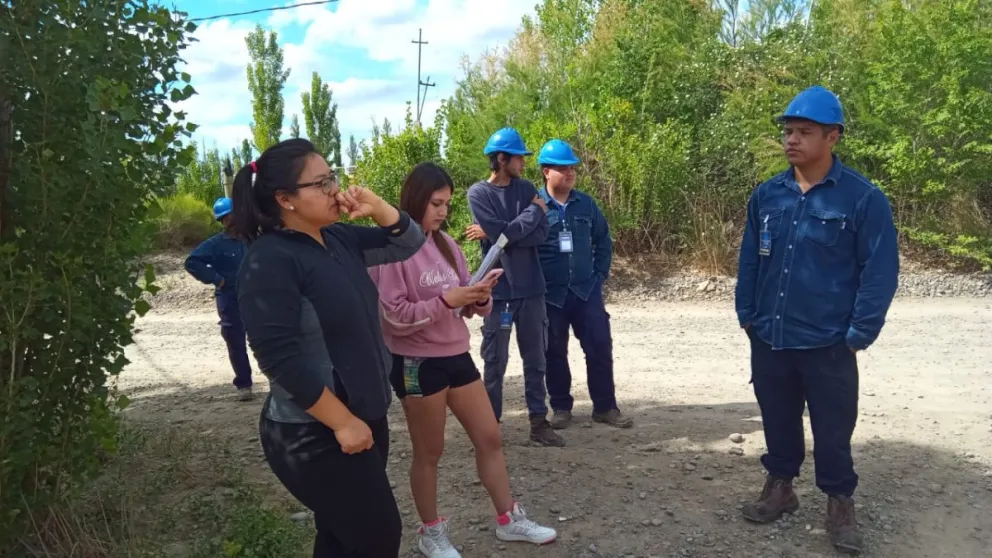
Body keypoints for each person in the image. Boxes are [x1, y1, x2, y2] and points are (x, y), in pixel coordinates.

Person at [230, 138, 426, 557]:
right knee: (376, 537)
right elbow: (277, 356)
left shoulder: (336, 238)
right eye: (320, 184)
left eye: (332, 177)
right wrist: (341, 422)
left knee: (341, 538)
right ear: (285, 199)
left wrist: (378, 206)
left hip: (363, 415)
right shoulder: (269, 260)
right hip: (311, 431)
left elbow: (407, 242)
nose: (334, 190)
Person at [734, 85, 899, 555]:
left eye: (804, 132)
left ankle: (839, 502)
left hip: (829, 342)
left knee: (833, 426)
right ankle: (780, 488)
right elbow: (750, 260)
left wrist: (858, 334)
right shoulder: (768, 195)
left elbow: (880, 270)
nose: (791, 140)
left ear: (833, 137)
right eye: (788, 131)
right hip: (771, 334)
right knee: (777, 417)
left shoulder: (863, 199)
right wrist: (747, 314)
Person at [370, 162, 558, 558]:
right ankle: (431, 532)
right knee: (429, 452)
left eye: (447, 205)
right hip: (416, 364)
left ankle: (509, 519)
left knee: (490, 437)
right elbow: (394, 318)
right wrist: (448, 300)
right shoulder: (389, 251)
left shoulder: (447, 245)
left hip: (457, 356)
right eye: (435, 203)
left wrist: (479, 297)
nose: (442, 212)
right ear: (415, 200)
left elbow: (464, 302)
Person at [464, 127, 563, 447]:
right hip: (499, 293)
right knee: (495, 361)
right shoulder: (478, 194)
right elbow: (503, 234)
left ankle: (538, 423)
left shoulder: (525, 189)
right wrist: (534, 211)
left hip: (532, 290)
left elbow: (539, 234)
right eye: (519, 157)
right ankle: (490, 425)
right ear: (501, 158)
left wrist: (503, 234)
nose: (523, 163)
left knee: (536, 359)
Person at [534, 139, 632, 430]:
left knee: (600, 346)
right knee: (554, 351)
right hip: (551, 295)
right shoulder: (535, 207)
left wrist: (600, 274)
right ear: (546, 171)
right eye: (563, 168)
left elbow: (603, 240)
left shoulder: (586, 204)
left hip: (585, 291)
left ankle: (605, 407)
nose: (570, 173)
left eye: (573, 168)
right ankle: (561, 408)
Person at [183, 197, 253, 401]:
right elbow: (192, 262)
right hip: (230, 300)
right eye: (234, 214)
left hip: (256, 297)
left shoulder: (252, 240)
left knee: (266, 339)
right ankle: (244, 385)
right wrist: (217, 279)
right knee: (236, 342)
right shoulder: (215, 245)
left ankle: (277, 382)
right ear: (226, 219)